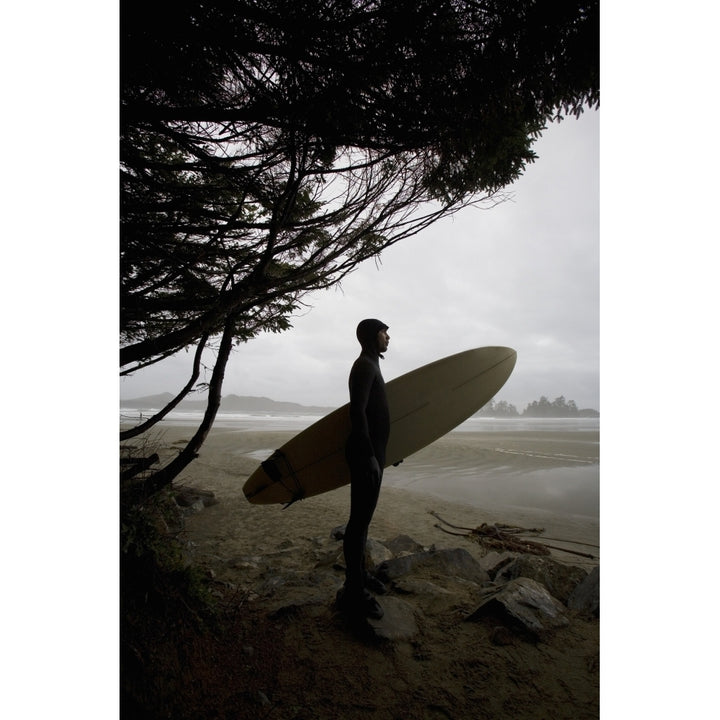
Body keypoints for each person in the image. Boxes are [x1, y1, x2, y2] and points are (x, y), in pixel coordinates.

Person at [337, 318, 391, 620]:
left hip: (374, 454)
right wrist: (371, 456)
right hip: (363, 455)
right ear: (373, 336)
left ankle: (359, 575)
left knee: (364, 521)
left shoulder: (373, 364)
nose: (388, 338)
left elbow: (375, 414)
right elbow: (357, 412)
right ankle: (354, 591)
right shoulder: (364, 366)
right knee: (357, 523)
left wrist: (387, 453)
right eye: (385, 332)